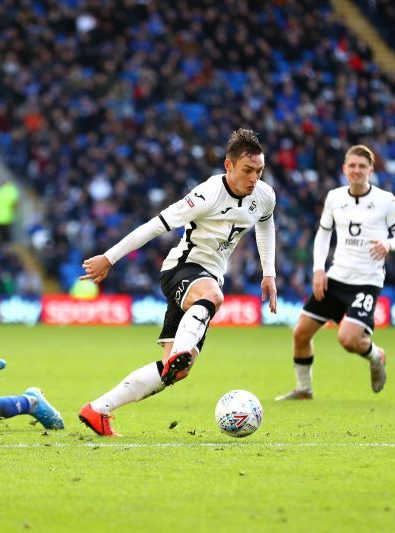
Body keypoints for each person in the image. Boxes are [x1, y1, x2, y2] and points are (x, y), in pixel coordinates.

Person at [77, 128, 278, 436]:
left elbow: (266, 224)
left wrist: (269, 273)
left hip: (206, 279)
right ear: (228, 166)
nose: (254, 178)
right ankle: (184, 347)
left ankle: (97, 410)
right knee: (214, 296)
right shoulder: (206, 195)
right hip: (181, 270)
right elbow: (154, 226)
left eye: (259, 171)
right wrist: (109, 258)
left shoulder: (263, 196)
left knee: (175, 371)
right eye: (247, 170)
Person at [275, 145, 395, 400]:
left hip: (366, 282)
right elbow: (324, 234)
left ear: (371, 170)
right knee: (300, 333)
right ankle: (304, 389)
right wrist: (318, 270)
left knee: (348, 339)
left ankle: (376, 355)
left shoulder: (386, 201)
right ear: (344, 169)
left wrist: (389, 244)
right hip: (336, 277)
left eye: (362, 166)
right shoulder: (335, 198)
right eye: (352, 166)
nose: (357, 170)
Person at [0, 178, 19, 243]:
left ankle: (2, 248)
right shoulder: (11, 190)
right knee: (6, 237)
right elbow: (15, 203)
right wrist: (15, 213)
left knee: (0, 236)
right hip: (5, 217)